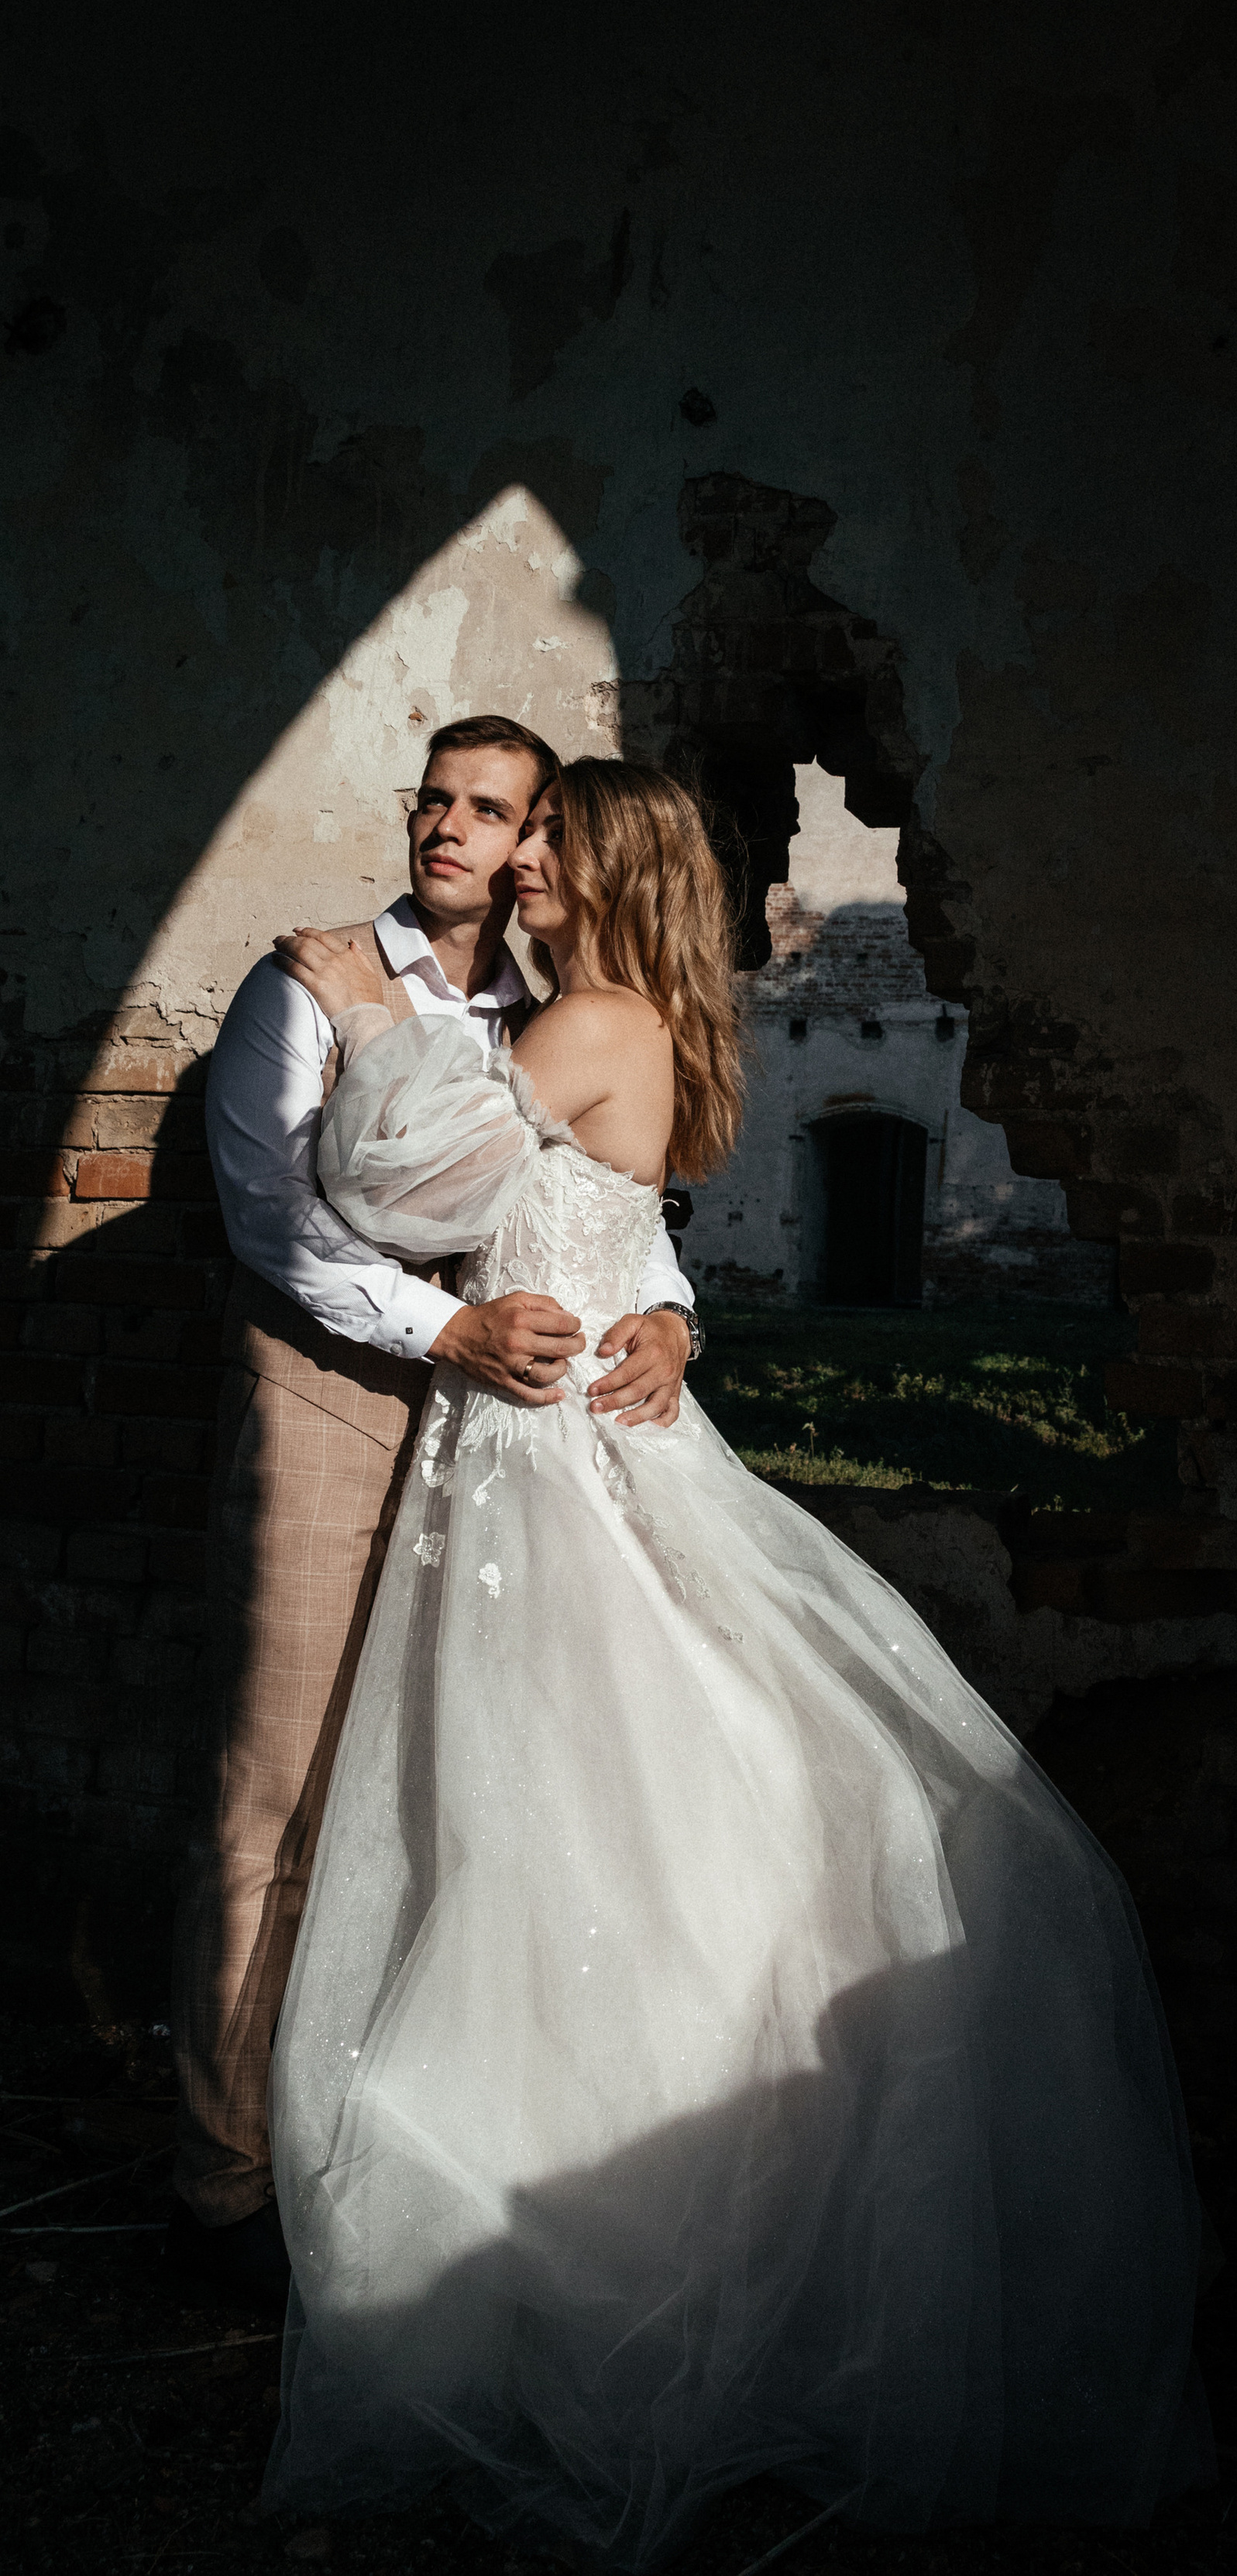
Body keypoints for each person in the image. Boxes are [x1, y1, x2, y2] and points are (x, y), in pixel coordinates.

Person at [260, 758, 1209, 2566]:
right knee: (607, 1808)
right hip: (577, 1435)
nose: (521, 863)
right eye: (510, 837)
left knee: (564, 1823)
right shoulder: (645, 1025)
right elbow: (620, 1229)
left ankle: (597, 2258)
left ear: (611, 869)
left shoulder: (588, 1021)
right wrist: (671, 1317)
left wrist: (383, 1013)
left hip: (547, 1465)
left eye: (551, 841)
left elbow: (384, 1184)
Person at [170, 716, 702, 2310]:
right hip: (345, 1393)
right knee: (275, 1790)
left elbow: (609, 1209)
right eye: (441, 801)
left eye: (499, 809)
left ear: (551, 836)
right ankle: (224, 2177)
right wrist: (444, 1331)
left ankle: (378, 2144)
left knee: (452, 1789)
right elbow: (283, 1223)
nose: (462, 831)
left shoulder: (556, 1004)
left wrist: (673, 1312)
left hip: (508, 1434)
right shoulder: (309, 979)